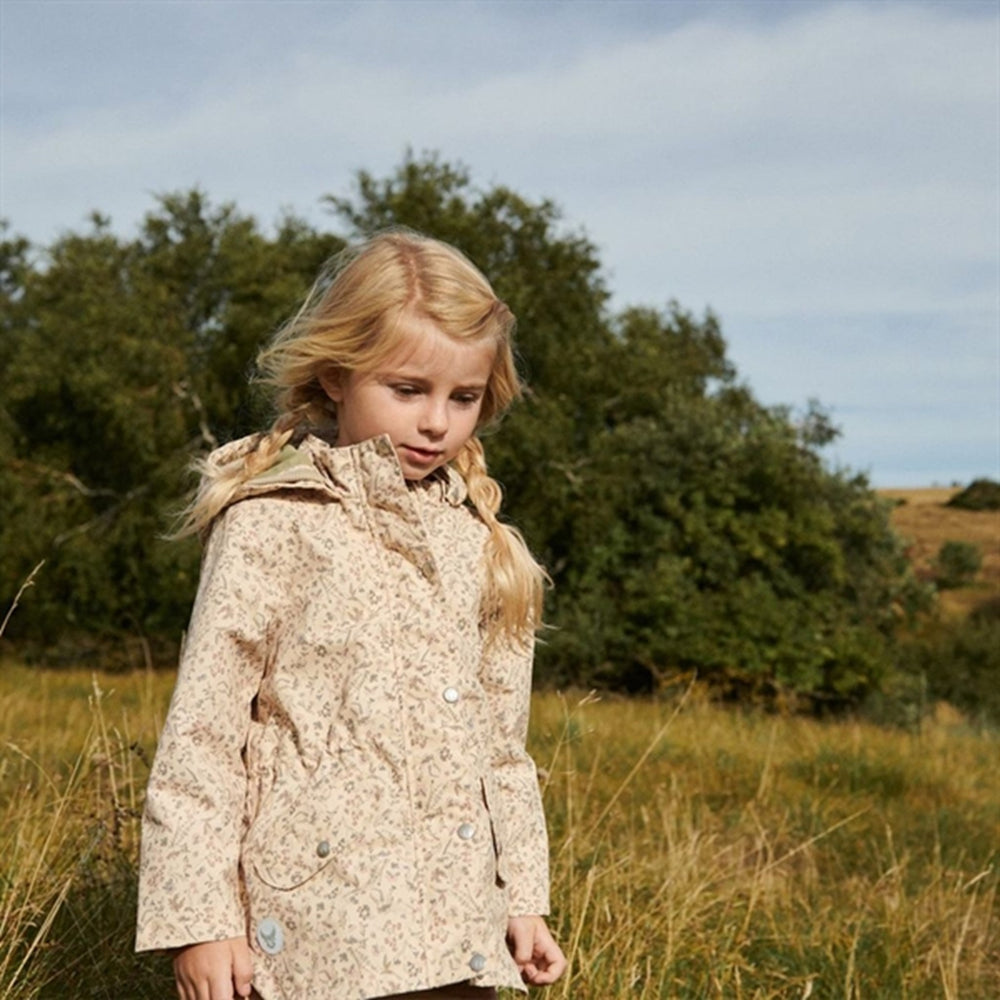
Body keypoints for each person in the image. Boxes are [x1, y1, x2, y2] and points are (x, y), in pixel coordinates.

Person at [135, 230, 567, 1000]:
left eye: (463, 398)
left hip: (457, 931)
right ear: (337, 375)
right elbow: (204, 735)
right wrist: (200, 921)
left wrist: (524, 899)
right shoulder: (273, 521)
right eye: (408, 390)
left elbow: (501, 748)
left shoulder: (479, 543)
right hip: (312, 936)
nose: (436, 422)